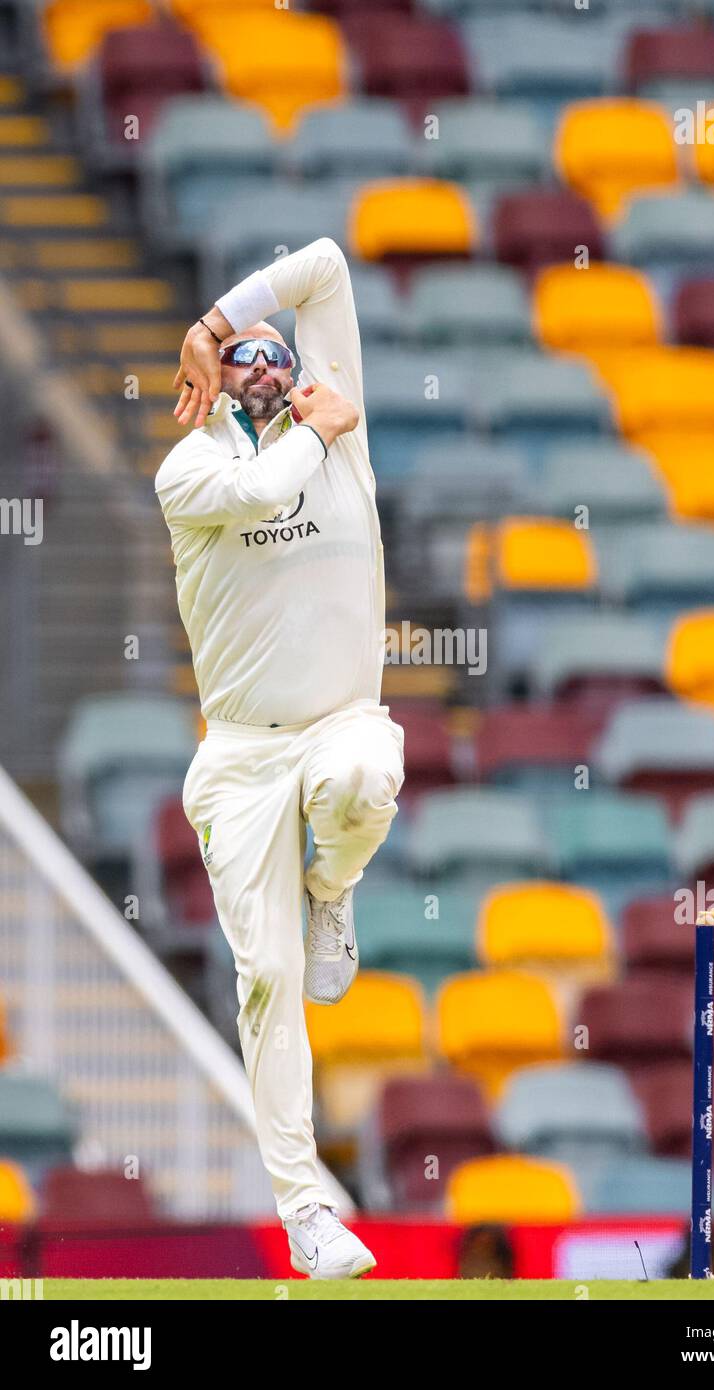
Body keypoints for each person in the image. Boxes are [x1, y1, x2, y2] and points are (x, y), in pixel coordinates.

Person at [155, 238, 405, 1279]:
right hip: (241, 761)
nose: (267, 368)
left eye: (277, 355)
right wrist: (321, 426)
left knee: (360, 777)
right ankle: (305, 1210)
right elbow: (260, 498)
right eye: (243, 361)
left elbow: (326, 267)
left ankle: (332, 883)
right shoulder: (192, 468)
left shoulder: (337, 429)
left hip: (339, 718)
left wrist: (212, 323)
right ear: (220, 400)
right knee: (264, 979)